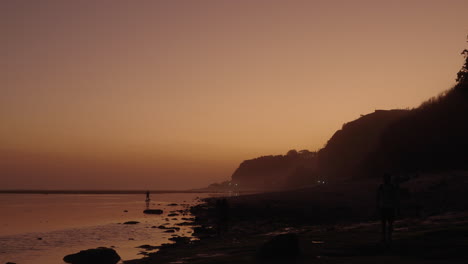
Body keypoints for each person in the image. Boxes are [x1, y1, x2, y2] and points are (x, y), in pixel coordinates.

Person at [377, 173, 399, 244]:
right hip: (386, 207)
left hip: (386, 207)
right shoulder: (388, 187)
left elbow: (378, 197)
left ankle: (387, 237)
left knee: (387, 223)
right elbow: (378, 197)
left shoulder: (384, 187)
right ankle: (387, 237)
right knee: (387, 223)